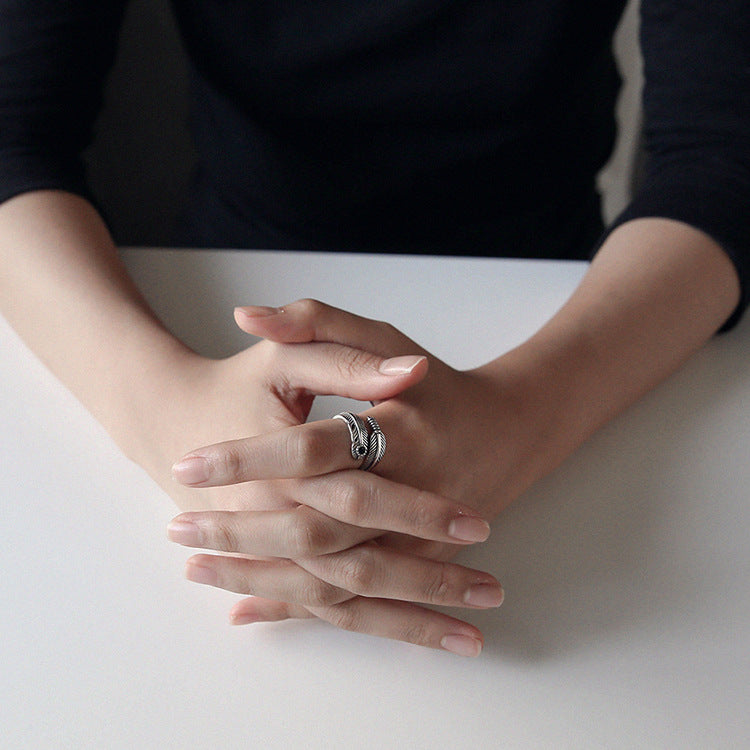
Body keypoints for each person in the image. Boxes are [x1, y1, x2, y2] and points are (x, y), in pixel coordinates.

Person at [0, 1, 747, 658]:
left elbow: (725, 158)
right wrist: (164, 408)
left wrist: (525, 413)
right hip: (225, 280)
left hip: (570, 295)